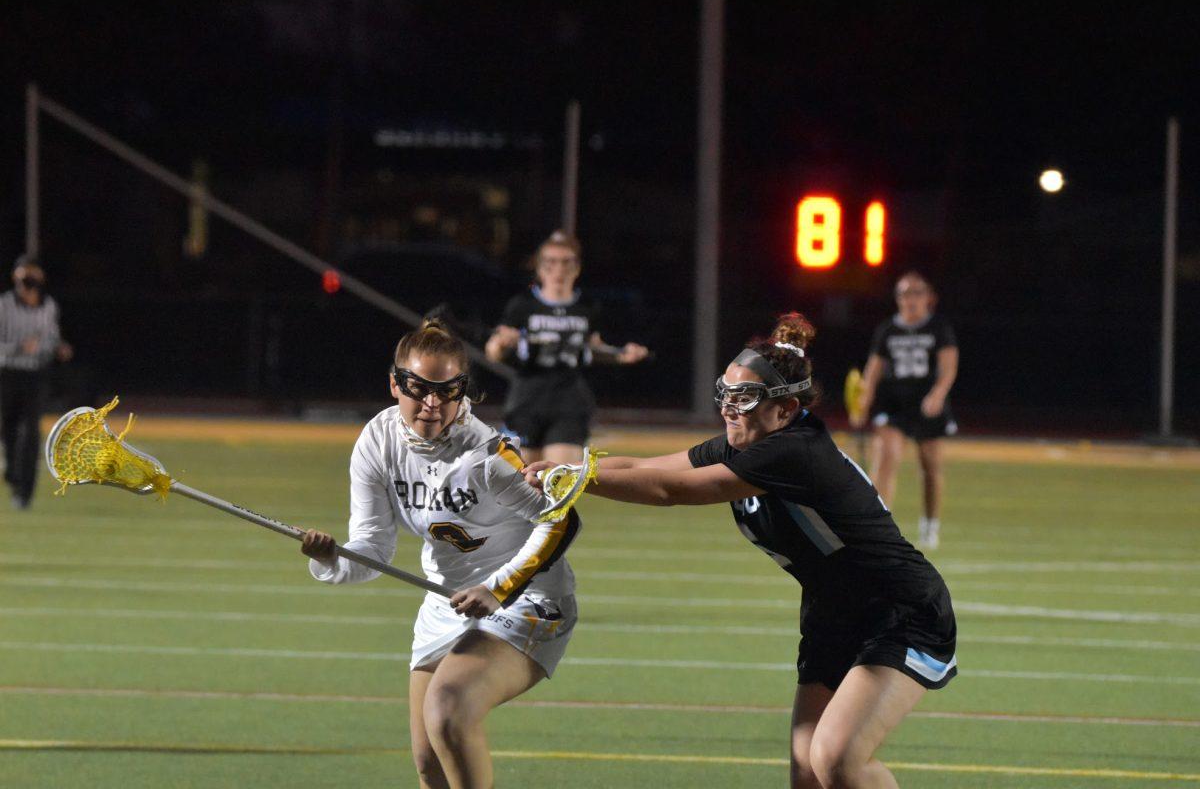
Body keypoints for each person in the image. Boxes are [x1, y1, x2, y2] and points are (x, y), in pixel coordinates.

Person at [524, 312, 957, 789]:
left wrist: (580, 481)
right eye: (725, 394)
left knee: (837, 758)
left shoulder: (792, 452)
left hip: (899, 610)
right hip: (834, 611)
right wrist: (565, 466)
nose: (729, 408)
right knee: (808, 771)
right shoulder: (749, 440)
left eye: (744, 397)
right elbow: (649, 467)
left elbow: (671, 491)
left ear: (786, 409)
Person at [300, 318, 579, 789]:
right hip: (446, 600)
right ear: (394, 383)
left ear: (462, 390)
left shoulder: (486, 454)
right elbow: (373, 547)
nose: (432, 403)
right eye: (417, 387)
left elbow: (561, 519)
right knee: (429, 762)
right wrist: (331, 559)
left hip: (525, 599)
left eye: (447, 391)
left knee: (448, 710)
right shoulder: (377, 441)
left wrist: (499, 588)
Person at [484, 230, 649, 464]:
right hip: (526, 401)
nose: (558, 270)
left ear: (577, 267)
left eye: (565, 262)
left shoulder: (587, 307)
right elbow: (493, 353)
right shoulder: (522, 306)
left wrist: (622, 355)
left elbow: (594, 348)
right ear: (540, 268)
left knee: (560, 481)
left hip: (569, 402)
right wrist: (500, 343)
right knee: (521, 483)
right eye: (551, 263)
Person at [851, 271, 959, 549]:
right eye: (903, 293)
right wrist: (863, 401)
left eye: (916, 292)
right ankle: (879, 528)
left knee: (930, 468)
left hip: (927, 405)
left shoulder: (939, 327)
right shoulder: (888, 329)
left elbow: (949, 367)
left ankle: (930, 525)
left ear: (929, 298)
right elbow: (872, 371)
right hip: (893, 405)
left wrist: (937, 394)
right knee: (886, 460)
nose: (910, 299)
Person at [0, 255, 73, 509]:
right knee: (8, 430)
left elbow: (51, 337)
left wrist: (59, 347)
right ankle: (12, 471)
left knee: (31, 433)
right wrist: (18, 348)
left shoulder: (49, 306)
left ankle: (25, 493)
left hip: (35, 377)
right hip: (8, 374)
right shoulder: (4, 306)